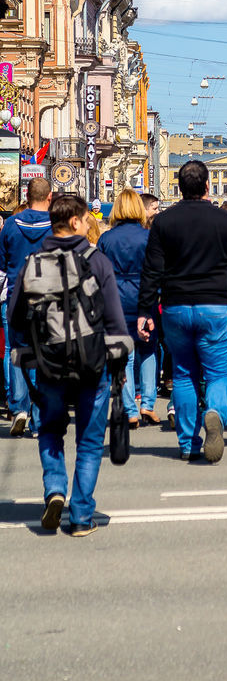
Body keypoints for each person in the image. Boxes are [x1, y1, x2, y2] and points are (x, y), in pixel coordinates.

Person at [8, 195, 132, 536]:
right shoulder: (96, 259)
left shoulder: (33, 262)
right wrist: (119, 351)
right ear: (76, 222)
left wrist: (23, 351)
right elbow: (112, 313)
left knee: (50, 429)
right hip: (92, 362)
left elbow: (16, 314)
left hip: (48, 362)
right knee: (90, 442)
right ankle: (80, 516)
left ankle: (55, 489)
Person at [137, 160, 227, 463]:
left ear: (179, 187)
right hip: (215, 305)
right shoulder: (224, 220)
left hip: (175, 307)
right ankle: (215, 409)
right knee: (219, 372)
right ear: (207, 187)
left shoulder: (164, 222)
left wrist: (144, 310)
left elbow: (151, 270)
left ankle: (188, 443)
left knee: (183, 374)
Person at [99, 188, 158, 427]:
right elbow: (155, 270)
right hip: (144, 295)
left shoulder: (106, 239)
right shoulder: (148, 237)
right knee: (149, 348)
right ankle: (148, 404)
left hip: (115, 298)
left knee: (124, 354)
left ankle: (130, 409)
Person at [0, 176, 52, 436]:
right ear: (49, 197)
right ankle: (39, 419)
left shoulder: (10, 224)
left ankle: (19, 407)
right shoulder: (55, 226)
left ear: (27, 196)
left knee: (17, 353)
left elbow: (2, 263)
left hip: (16, 297)